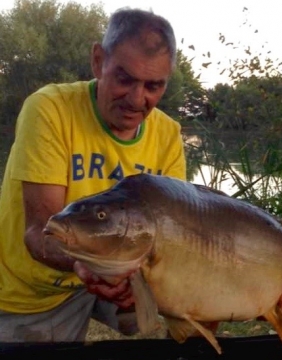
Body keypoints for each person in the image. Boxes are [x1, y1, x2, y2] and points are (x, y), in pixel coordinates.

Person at [0, 7, 186, 342]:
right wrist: (87, 267)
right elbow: (39, 231)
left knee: (177, 322)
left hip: (117, 271)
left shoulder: (169, 135)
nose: (136, 99)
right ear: (98, 61)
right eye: (125, 78)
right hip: (33, 289)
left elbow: (174, 238)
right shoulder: (50, 109)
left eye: (153, 86)